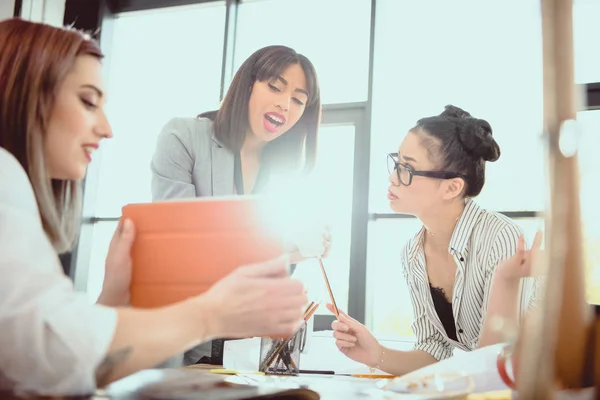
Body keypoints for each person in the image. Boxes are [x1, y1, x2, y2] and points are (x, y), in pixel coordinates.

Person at [0, 18, 307, 396]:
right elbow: (48, 357)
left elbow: (46, 350)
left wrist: (113, 296)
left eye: (298, 99)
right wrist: (210, 313)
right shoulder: (5, 174)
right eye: (87, 101)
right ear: (25, 94)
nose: (107, 128)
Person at [328, 105, 541, 377]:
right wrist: (376, 354)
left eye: (407, 168)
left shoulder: (501, 239)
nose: (393, 177)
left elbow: (497, 361)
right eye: (396, 163)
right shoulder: (413, 253)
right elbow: (434, 352)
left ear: (452, 187)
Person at [150, 45, 331, 365]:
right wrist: (285, 249)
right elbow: (180, 248)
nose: (284, 104)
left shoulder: (284, 176)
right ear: (247, 84)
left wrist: (303, 248)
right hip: (180, 344)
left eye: (298, 100)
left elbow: (266, 273)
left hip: (245, 355)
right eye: (275, 87)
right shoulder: (183, 136)